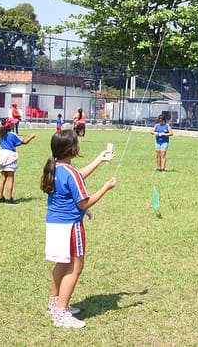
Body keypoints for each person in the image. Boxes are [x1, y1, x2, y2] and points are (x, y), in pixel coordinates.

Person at [42, 130, 116, 328]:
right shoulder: (71, 173)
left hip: (55, 224)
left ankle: (54, 302)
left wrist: (99, 159)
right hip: (70, 228)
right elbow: (83, 202)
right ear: (72, 150)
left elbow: (77, 177)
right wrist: (105, 188)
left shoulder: (55, 168)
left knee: (62, 264)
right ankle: (60, 313)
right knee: (75, 267)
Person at [0, 117, 36, 205]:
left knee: (3, 177)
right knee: (10, 178)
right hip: (10, 156)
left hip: (2, 155)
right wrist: (31, 137)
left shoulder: (2, 134)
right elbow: (24, 142)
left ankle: (0, 197)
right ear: (10, 125)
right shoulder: (12, 134)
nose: (14, 125)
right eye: (13, 123)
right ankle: (9, 198)